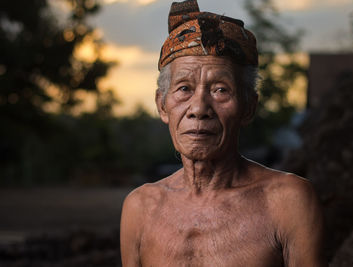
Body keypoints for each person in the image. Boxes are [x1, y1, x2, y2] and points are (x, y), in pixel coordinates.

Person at [120, 0, 325, 266]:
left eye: (220, 90)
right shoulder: (140, 208)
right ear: (162, 105)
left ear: (249, 107)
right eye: (184, 88)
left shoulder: (287, 203)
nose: (199, 108)